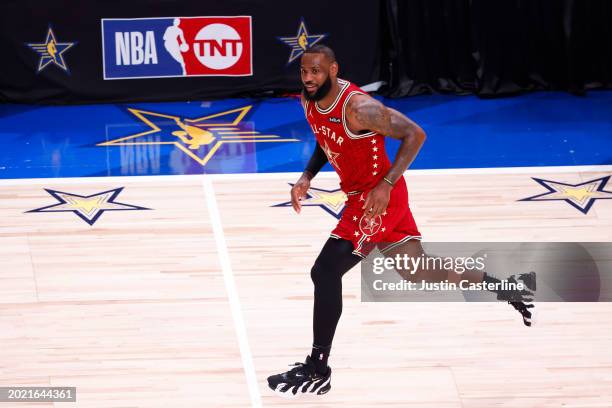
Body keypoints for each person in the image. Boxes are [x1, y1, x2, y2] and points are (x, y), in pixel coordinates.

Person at [267, 44, 536, 398]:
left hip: (375, 199)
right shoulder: (308, 99)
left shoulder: (360, 108)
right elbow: (324, 139)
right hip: (366, 196)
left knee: (325, 271)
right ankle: (501, 285)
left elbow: (416, 134)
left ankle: (319, 364)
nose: (308, 78)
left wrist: (386, 184)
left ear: (333, 69)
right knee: (417, 269)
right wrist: (307, 177)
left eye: (315, 71)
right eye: (304, 71)